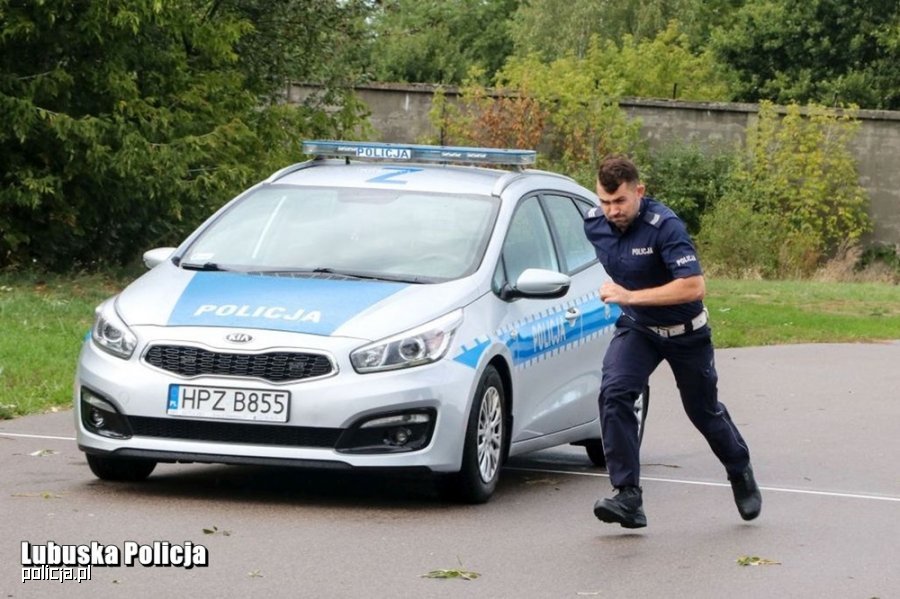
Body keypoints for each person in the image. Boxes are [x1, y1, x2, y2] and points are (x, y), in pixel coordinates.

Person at [583, 155, 761, 529]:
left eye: (620, 202)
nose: (612, 210)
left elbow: (694, 286)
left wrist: (630, 296)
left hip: (686, 332)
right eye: (605, 201)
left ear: (640, 192)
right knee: (614, 393)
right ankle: (628, 496)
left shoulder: (665, 227)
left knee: (703, 411)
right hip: (639, 330)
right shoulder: (593, 223)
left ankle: (739, 468)